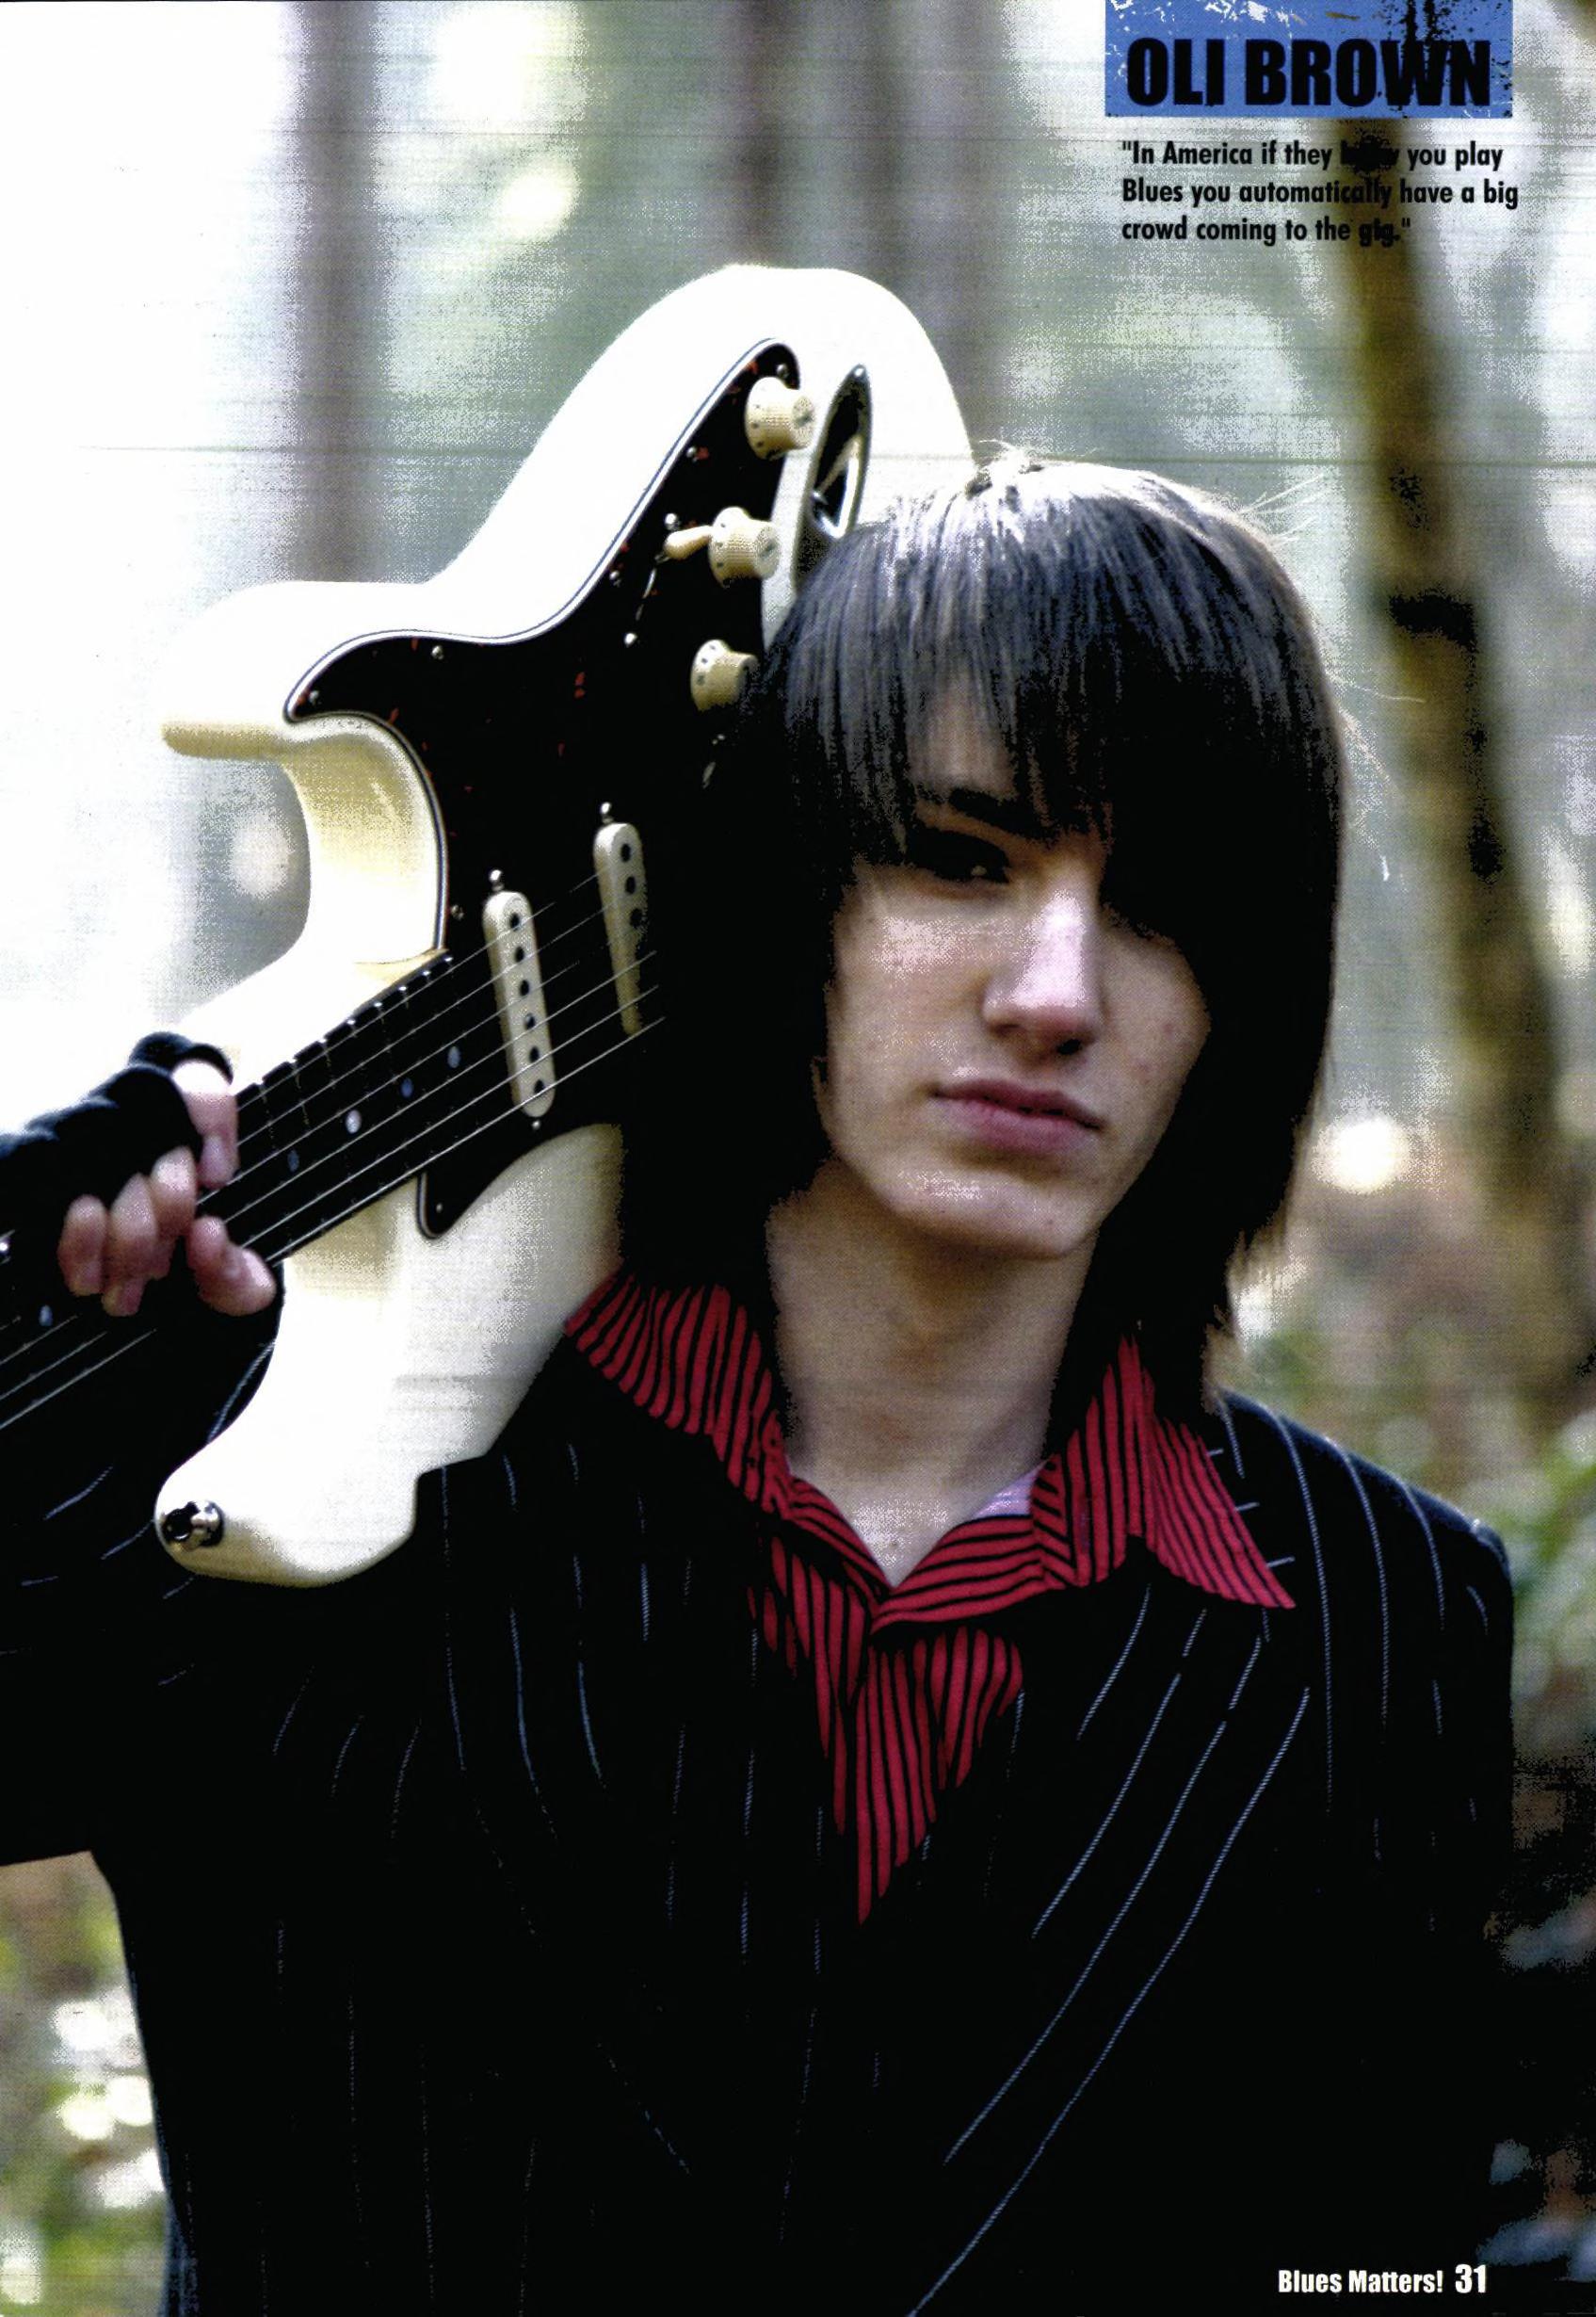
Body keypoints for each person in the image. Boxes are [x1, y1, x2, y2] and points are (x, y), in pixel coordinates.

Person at [1, 459, 1511, 2311]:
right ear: (788, 891)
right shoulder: (276, 1490)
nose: (1055, 993)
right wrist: (49, 1338)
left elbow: (1375, 2268)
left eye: (1162, 904)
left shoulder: (1390, 1619)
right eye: (959, 858)